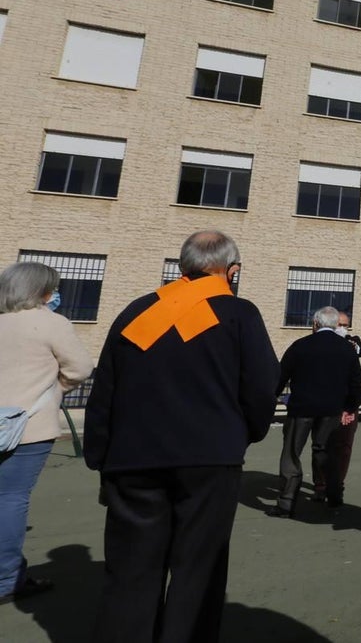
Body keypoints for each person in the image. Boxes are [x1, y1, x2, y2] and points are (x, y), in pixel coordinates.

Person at [84, 231, 279, 642]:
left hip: (132, 459)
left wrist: (100, 453)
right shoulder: (239, 313)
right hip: (209, 458)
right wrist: (245, 433)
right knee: (198, 571)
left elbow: (106, 389)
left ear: (180, 268)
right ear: (233, 271)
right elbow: (262, 387)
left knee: (130, 573)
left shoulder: (136, 311)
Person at [0, 263, 93, 605]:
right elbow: (81, 368)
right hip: (29, 425)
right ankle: (6, 580)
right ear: (41, 290)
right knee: (11, 500)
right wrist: (55, 390)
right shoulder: (51, 323)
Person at [269, 306, 361, 516]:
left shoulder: (300, 346)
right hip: (332, 410)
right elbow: (357, 383)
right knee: (325, 452)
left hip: (301, 408)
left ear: (315, 324)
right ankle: (334, 496)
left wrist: (270, 398)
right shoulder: (347, 349)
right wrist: (349, 407)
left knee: (292, 454)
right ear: (334, 325)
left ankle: (286, 502)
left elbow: (280, 376)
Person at [312, 311, 361, 504]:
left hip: (347, 403)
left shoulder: (351, 343)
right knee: (321, 445)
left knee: (343, 447)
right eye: (339, 325)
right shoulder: (317, 343)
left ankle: (337, 485)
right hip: (323, 404)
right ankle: (320, 486)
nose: (342, 328)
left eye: (346, 325)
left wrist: (350, 407)